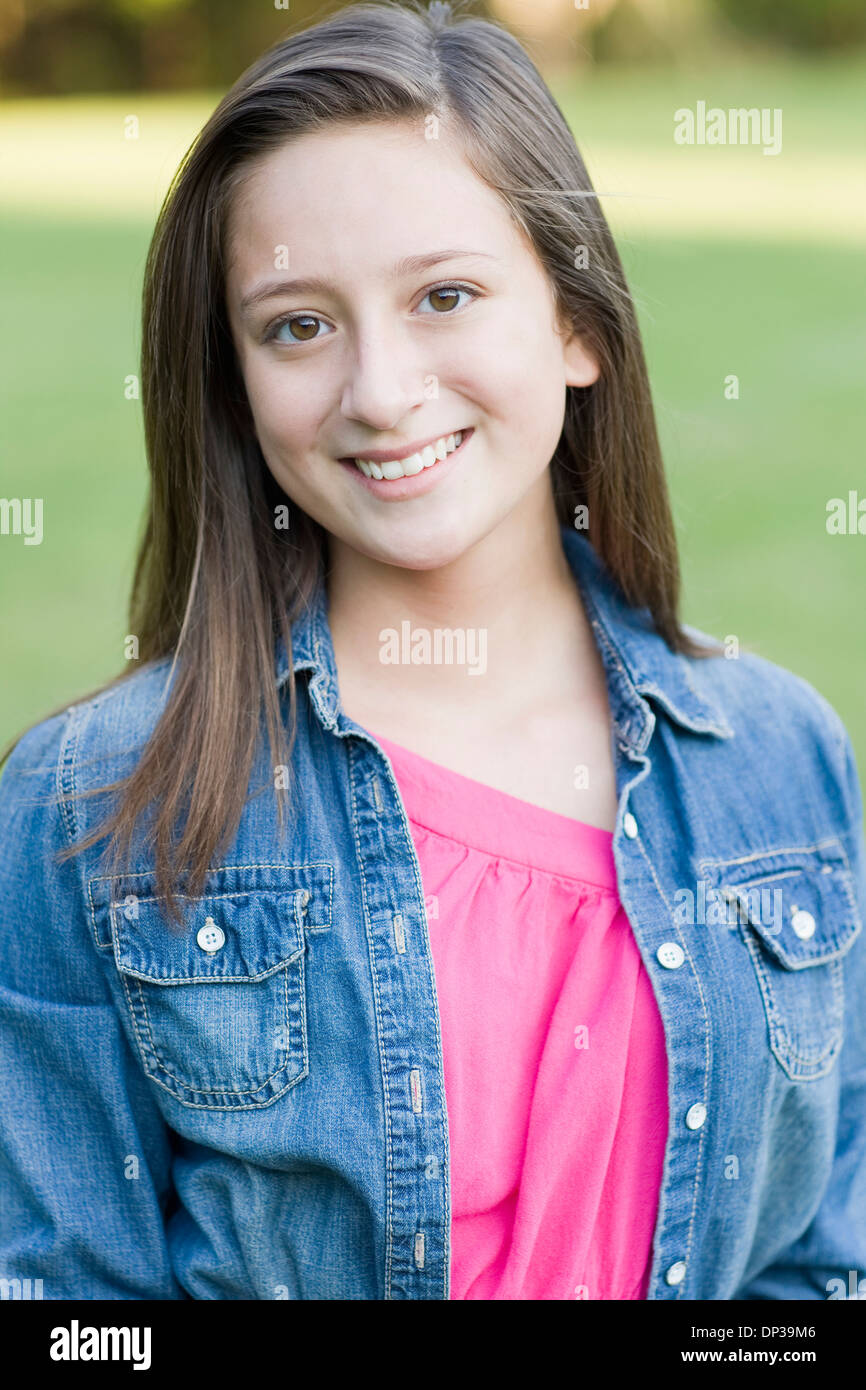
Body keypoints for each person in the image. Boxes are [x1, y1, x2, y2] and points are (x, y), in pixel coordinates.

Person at [0, 0, 863, 1301]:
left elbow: (820, 1264)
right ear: (232, 382)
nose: (381, 390)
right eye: (298, 324)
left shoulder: (782, 763)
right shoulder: (88, 801)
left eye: (445, 295)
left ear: (573, 321)